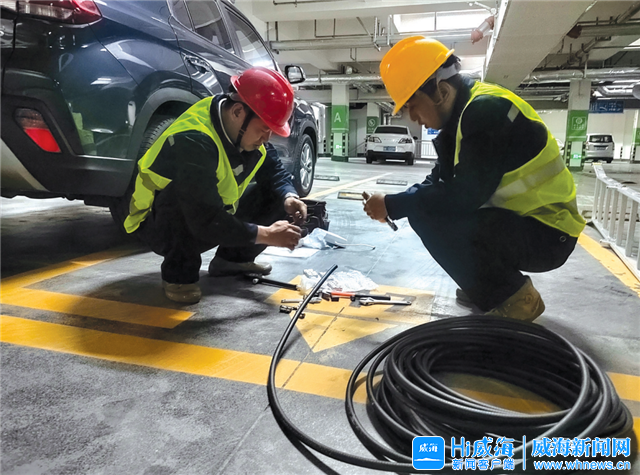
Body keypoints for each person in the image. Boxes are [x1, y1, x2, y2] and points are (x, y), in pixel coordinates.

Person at [363, 36, 585, 322]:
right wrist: (391, 203)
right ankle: (484, 284)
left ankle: (515, 297)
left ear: (441, 91)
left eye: (412, 105)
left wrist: (393, 205)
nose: (413, 117)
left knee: (427, 214)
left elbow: (462, 197)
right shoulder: (461, 119)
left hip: (548, 234)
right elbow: (437, 182)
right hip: (524, 224)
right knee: (423, 208)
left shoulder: (485, 111)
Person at [120, 67, 307, 304]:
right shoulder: (193, 139)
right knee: (182, 197)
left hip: (210, 217)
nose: (266, 139)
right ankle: (179, 275)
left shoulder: (242, 130)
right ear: (238, 111)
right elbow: (204, 218)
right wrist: (267, 235)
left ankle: (232, 260)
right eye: (263, 130)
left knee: (277, 196)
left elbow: (275, 173)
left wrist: (289, 197)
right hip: (156, 221)